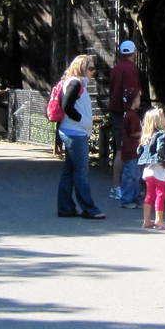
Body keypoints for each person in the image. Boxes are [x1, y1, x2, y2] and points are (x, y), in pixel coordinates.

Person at [54, 54, 105, 219]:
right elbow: (67, 106)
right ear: (81, 68)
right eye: (90, 68)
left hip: (72, 131)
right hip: (75, 132)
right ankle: (89, 209)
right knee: (81, 172)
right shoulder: (75, 82)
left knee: (69, 171)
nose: (93, 72)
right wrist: (82, 120)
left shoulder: (74, 82)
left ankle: (65, 207)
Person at [109, 40, 141, 187]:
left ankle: (116, 186)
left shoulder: (115, 69)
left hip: (115, 112)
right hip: (126, 112)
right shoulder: (131, 69)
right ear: (134, 53)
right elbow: (131, 92)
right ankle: (126, 187)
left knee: (120, 149)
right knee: (128, 150)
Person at [138, 107, 165, 230]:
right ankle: (159, 220)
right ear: (158, 120)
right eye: (163, 116)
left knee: (149, 194)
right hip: (159, 168)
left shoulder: (147, 136)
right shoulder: (162, 134)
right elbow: (160, 149)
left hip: (147, 169)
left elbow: (139, 150)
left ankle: (146, 221)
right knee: (161, 194)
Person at [113, 90, 143, 209]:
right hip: (131, 150)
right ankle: (126, 200)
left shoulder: (131, 114)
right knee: (130, 176)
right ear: (134, 101)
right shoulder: (132, 115)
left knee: (135, 175)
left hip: (132, 150)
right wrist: (145, 133)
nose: (140, 101)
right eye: (138, 98)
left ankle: (134, 198)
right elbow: (133, 133)